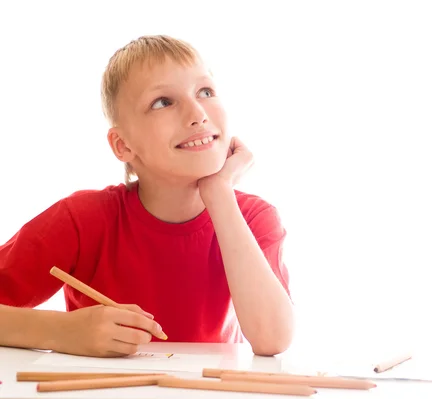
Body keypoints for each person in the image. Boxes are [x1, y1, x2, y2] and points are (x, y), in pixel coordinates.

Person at [0, 35, 294, 358]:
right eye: (162, 102)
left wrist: (220, 194)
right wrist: (62, 332)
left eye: (205, 92)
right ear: (123, 146)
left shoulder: (254, 218)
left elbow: (273, 339)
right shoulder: (82, 220)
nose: (197, 113)